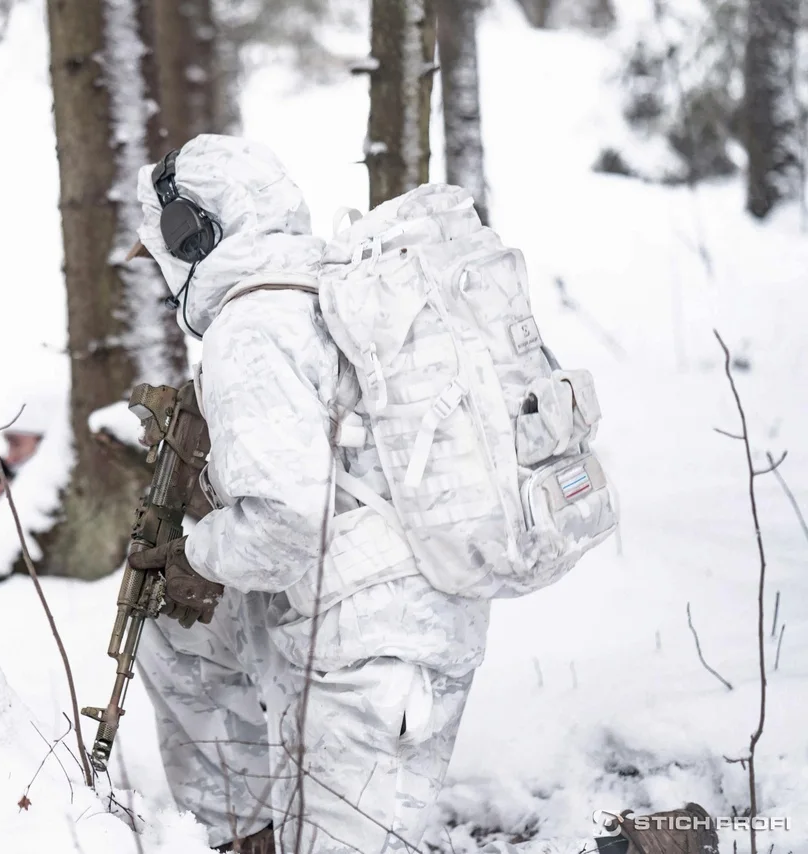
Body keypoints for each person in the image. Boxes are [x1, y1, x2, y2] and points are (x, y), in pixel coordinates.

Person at [122, 136, 711, 854]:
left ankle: (636, 847)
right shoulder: (324, 290)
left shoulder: (252, 329)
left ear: (193, 233)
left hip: (368, 649)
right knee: (179, 635)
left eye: (164, 249)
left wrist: (194, 552)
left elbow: (285, 524)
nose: (163, 270)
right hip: (392, 622)